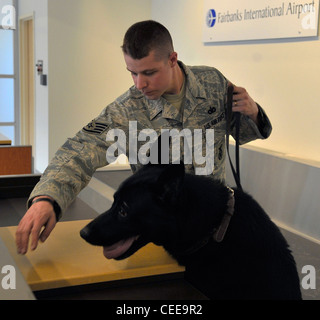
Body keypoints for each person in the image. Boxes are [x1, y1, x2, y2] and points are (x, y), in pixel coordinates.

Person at [15, 20, 272, 255]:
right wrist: (46, 198)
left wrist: (254, 112)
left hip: (216, 227)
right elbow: (80, 150)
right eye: (132, 73)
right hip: (163, 235)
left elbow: (243, 135)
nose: (140, 84)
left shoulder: (213, 83)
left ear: (172, 59)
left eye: (148, 73)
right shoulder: (128, 110)